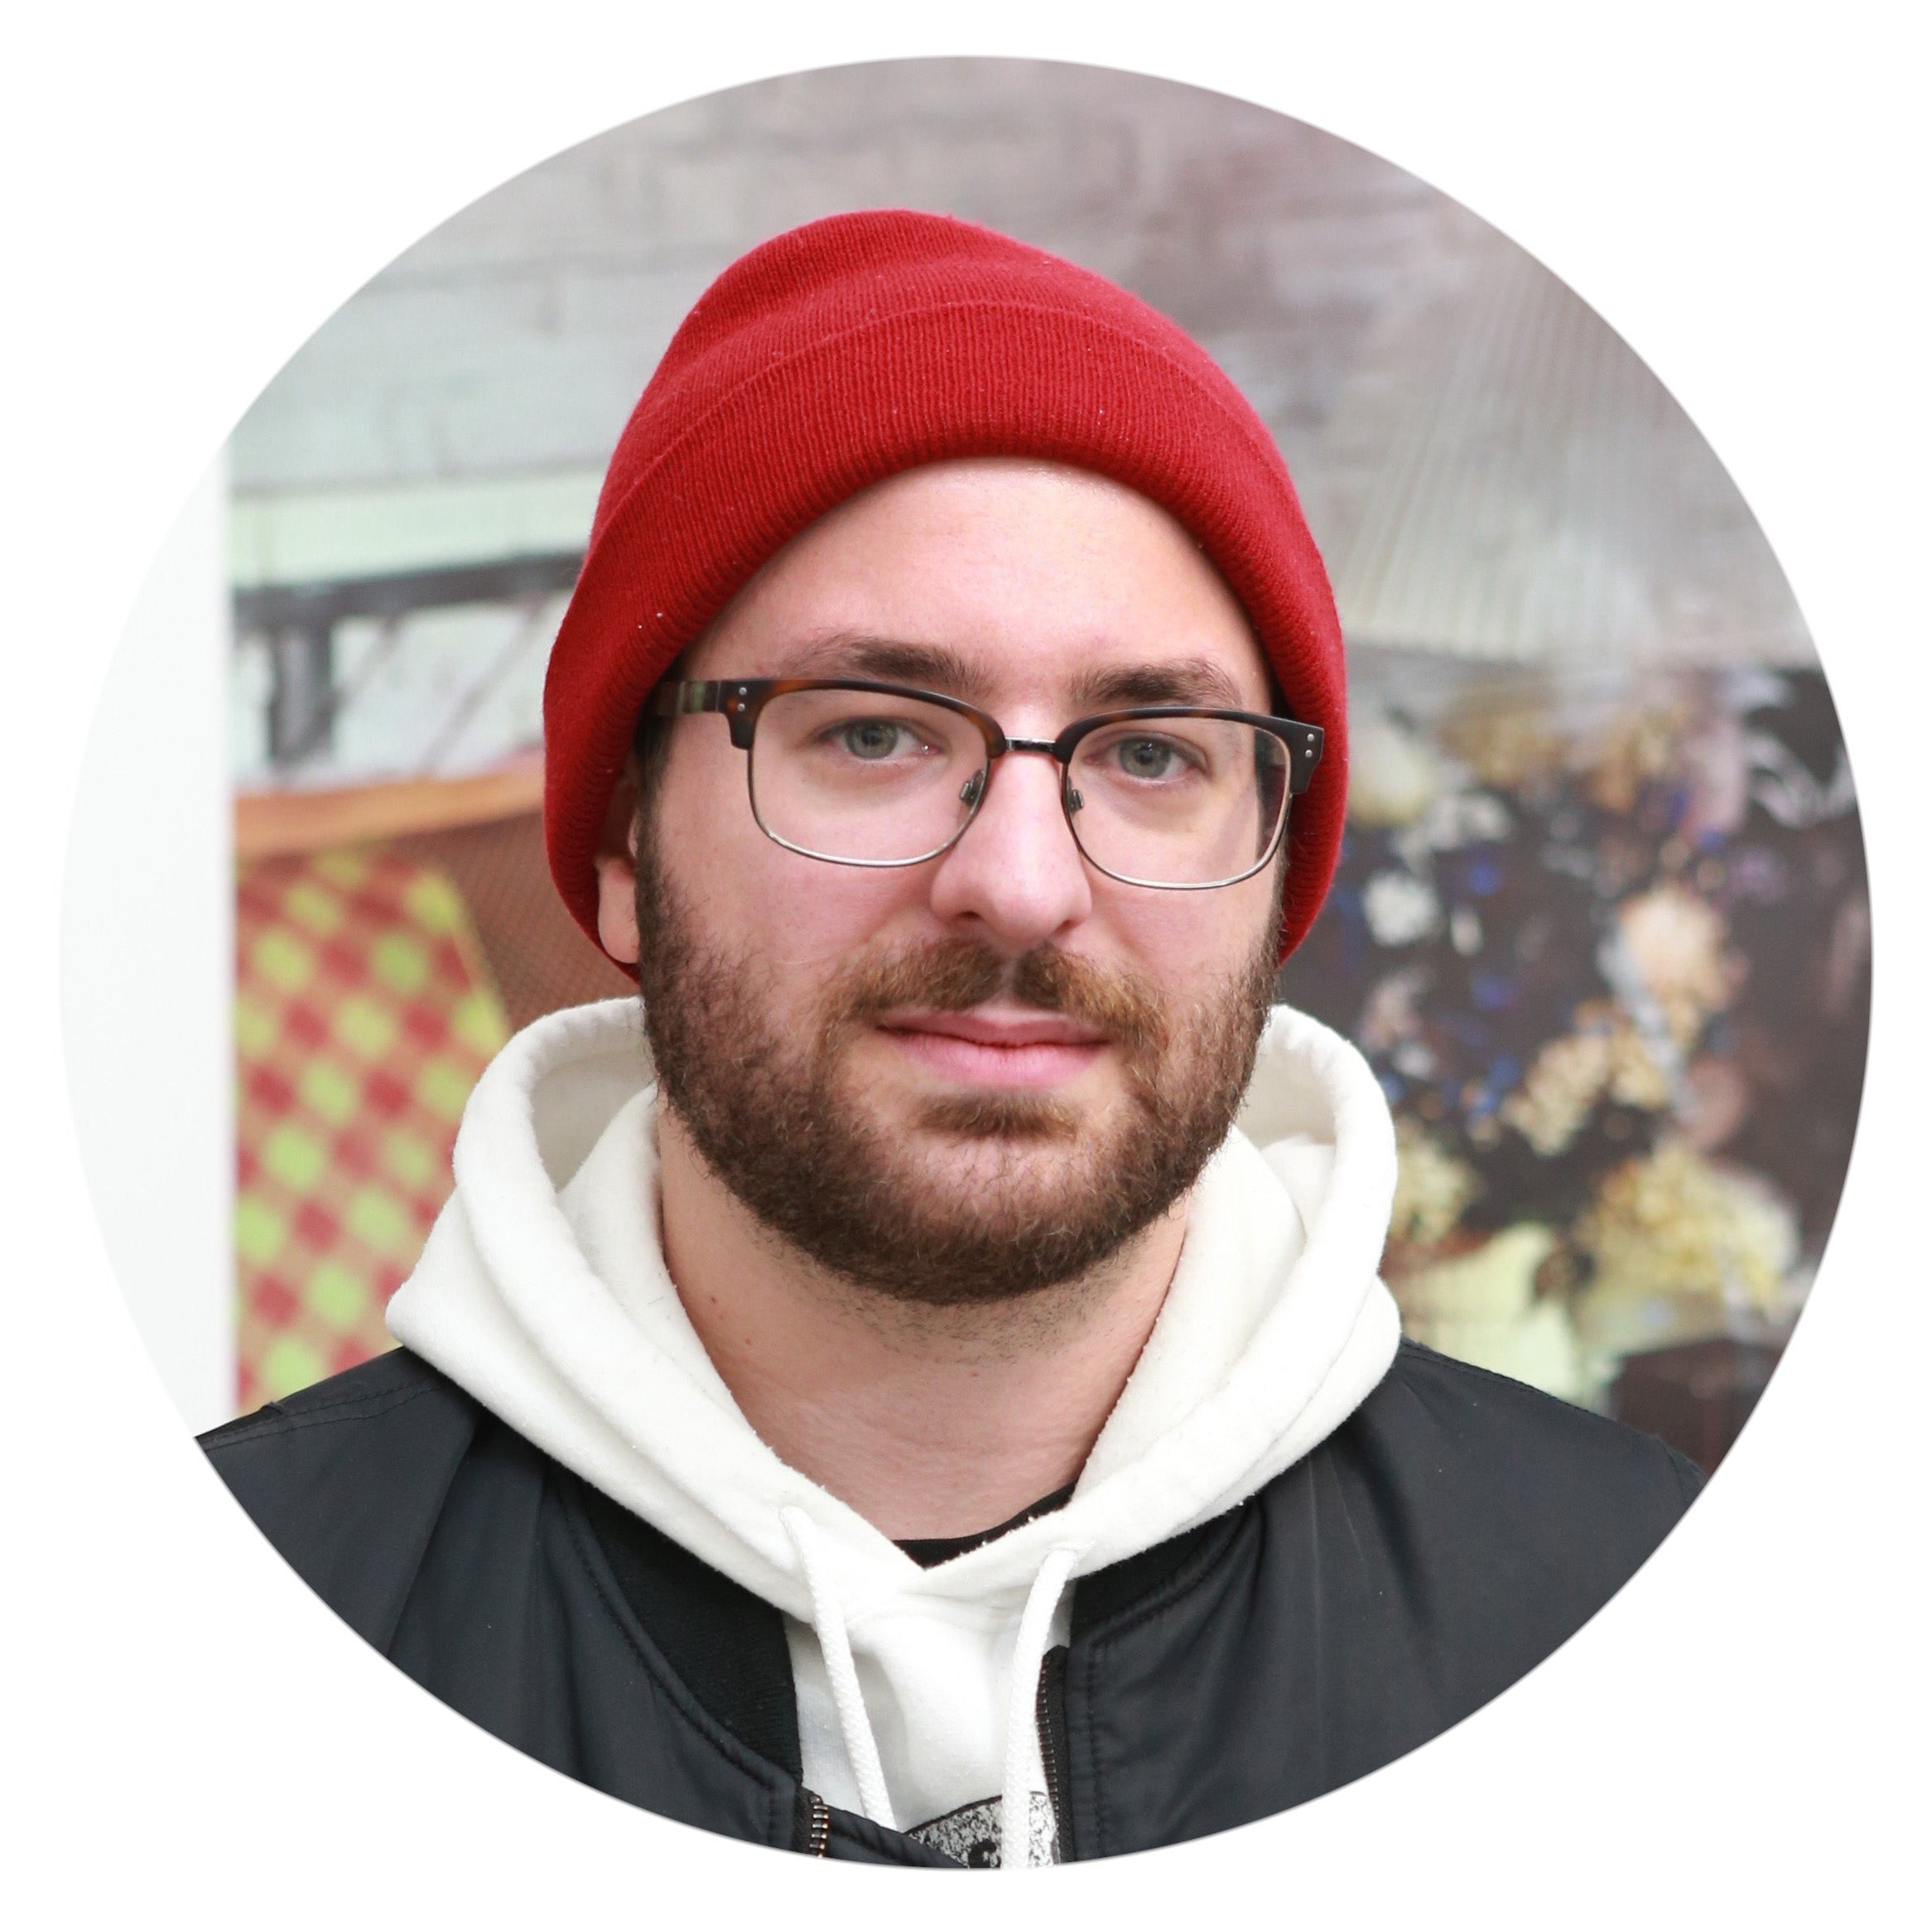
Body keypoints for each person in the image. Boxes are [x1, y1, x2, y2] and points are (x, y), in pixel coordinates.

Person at [203, 210, 1701, 1870]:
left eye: (1150, 753)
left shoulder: (1642, 1627)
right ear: (628, 846)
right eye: (871, 731)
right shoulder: (199, 1661)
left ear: (1273, 867)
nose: (1016, 883)